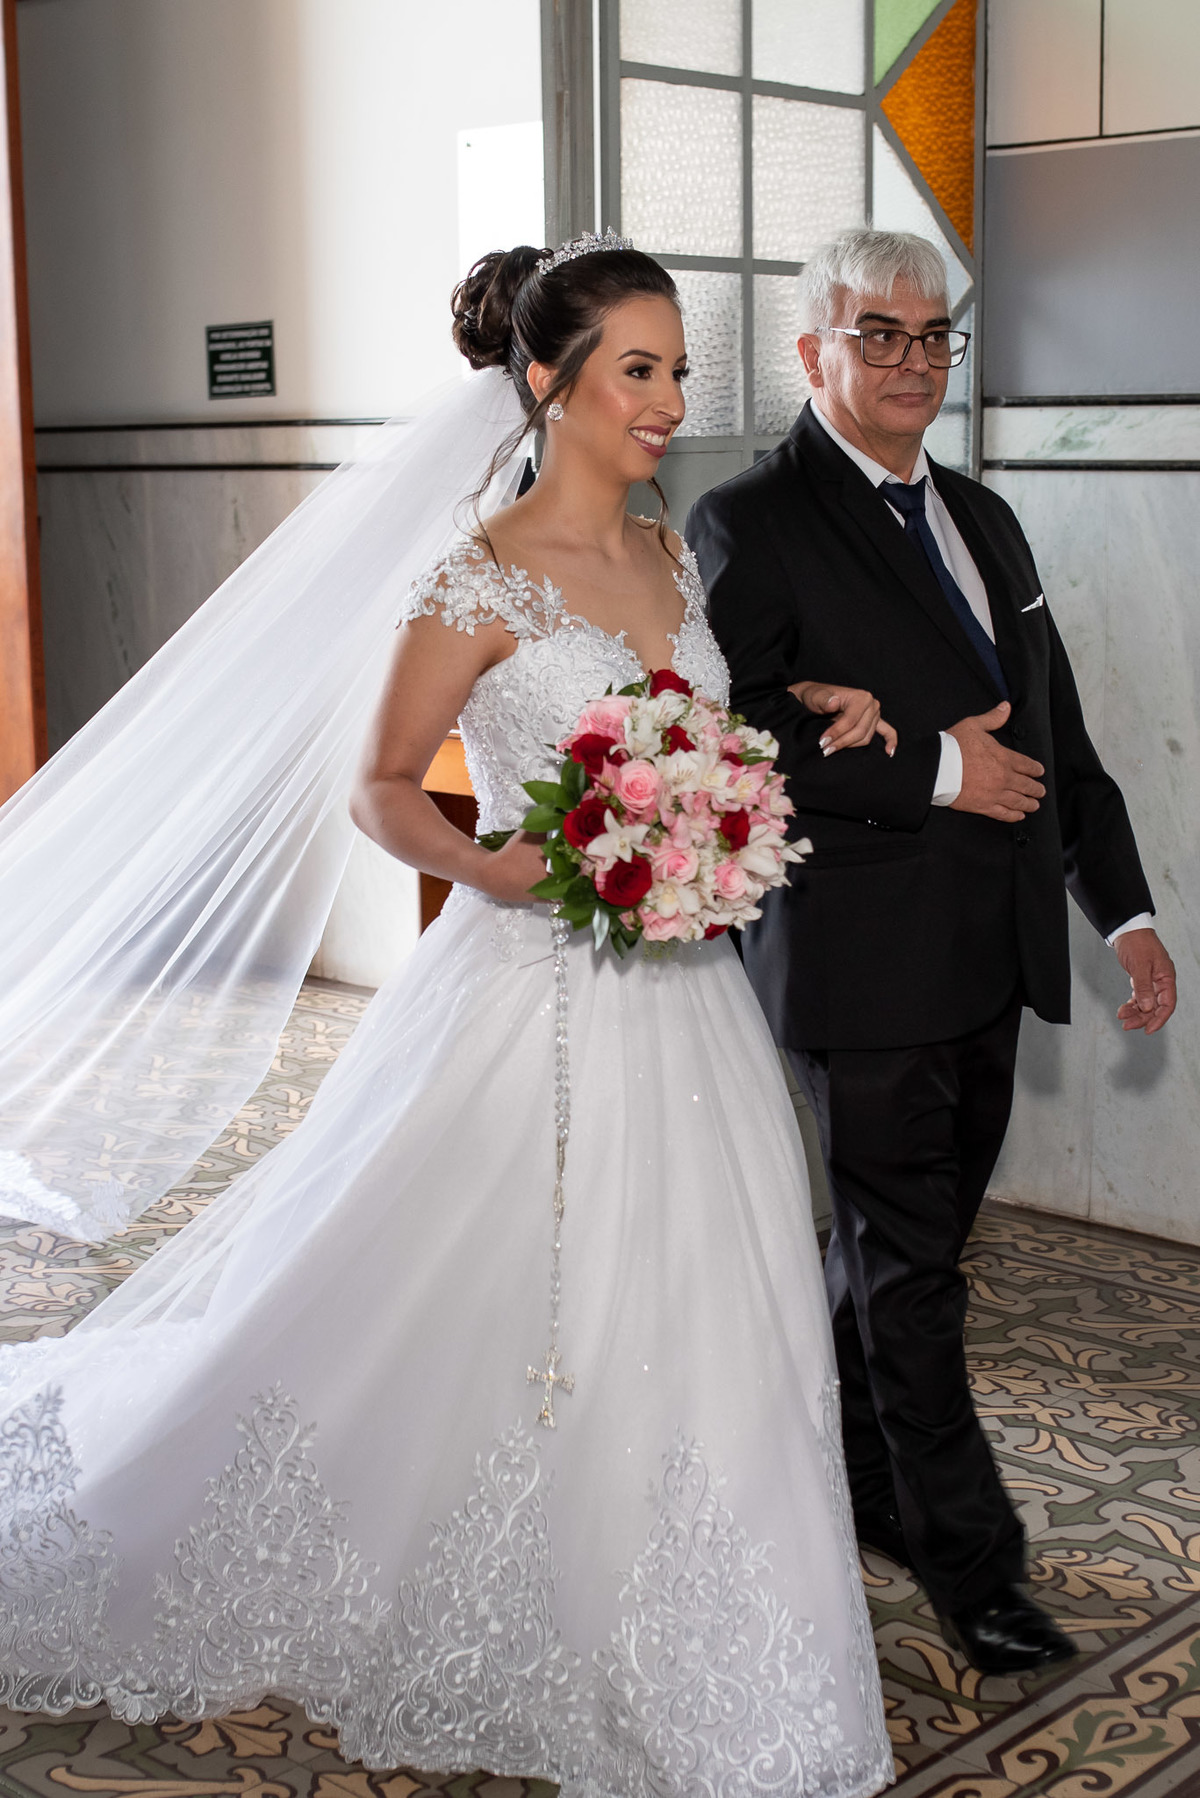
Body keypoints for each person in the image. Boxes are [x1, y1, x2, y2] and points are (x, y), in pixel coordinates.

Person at [0, 236, 894, 1798]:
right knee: (495, 1288)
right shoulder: (476, 575)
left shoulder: (674, 554)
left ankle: (707, 1605)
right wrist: (506, 869)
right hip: (532, 996)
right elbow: (378, 785)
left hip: (686, 1002)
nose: (674, 398)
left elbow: (684, 723)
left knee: (712, 1283)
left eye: (680, 368)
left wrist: (792, 723)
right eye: (642, 368)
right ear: (550, 383)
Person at [686, 228, 1178, 1678]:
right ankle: (977, 1570)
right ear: (812, 350)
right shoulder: (748, 519)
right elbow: (726, 737)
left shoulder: (987, 517)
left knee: (903, 1251)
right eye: (878, 334)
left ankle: (858, 1476)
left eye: (933, 336)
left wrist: (1128, 913)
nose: (912, 361)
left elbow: (1058, 735)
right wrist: (937, 779)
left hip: (992, 953)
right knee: (913, 1271)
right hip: (862, 954)